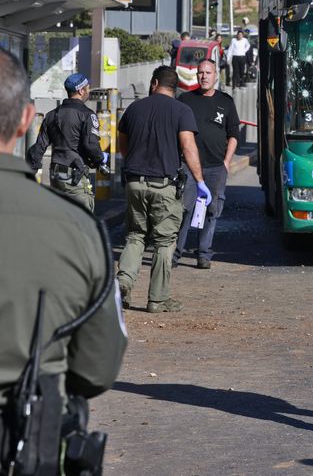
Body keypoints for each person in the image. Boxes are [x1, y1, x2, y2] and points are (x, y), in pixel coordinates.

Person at [0, 48, 126, 471]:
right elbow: (97, 368)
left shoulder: (53, 117)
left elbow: (38, 151)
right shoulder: (77, 231)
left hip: (55, 174)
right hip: (29, 429)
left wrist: (32, 167)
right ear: (23, 117)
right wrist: (100, 159)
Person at [116, 66, 212, 313]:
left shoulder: (134, 108)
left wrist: (134, 162)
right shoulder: (182, 111)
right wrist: (200, 181)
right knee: (164, 240)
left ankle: (124, 281)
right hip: (164, 185)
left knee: (135, 235)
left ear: (154, 83)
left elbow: (121, 143)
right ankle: (157, 299)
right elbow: (189, 148)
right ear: (175, 86)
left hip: (134, 182)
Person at [173, 59, 240, 270]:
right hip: (189, 167)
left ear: (215, 75)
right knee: (184, 209)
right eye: (200, 72)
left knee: (212, 211)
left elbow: (233, 135)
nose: (204, 76)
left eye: (208, 73)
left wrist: (227, 162)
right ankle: (175, 255)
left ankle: (204, 254)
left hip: (215, 167)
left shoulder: (226, 102)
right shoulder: (185, 100)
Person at [25, 73, 108, 211]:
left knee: (60, 223)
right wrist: (100, 160)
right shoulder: (87, 115)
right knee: (81, 226)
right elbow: (91, 145)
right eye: (87, 88)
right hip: (75, 177)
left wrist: (30, 172)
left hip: (55, 177)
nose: (88, 91)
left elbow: (39, 147)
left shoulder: (51, 115)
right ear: (81, 91)